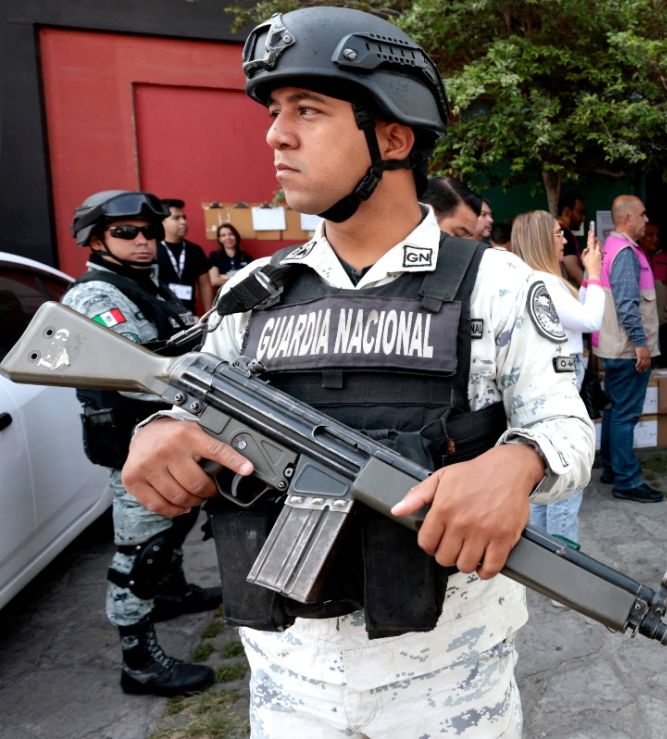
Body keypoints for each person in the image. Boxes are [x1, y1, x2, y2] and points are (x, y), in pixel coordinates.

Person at [121, 7, 593, 735]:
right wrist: (158, 431)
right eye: (276, 111)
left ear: (394, 137)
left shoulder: (498, 285)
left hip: (450, 684)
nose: (276, 133)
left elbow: (566, 424)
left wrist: (520, 462)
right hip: (287, 682)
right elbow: (188, 400)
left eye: (308, 110)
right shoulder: (253, 292)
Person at [64, 190, 219, 696]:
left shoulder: (140, 286)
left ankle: (171, 593)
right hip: (134, 443)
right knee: (141, 550)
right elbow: (142, 368)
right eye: (126, 233)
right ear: (96, 239)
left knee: (176, 520)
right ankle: (138, 661)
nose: (143, 242)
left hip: (163, 435)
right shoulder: (96, 295)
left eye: (149, 232)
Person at [513, 210, 604, 544]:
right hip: (561, 376)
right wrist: (593, 273)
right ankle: (561, 562)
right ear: (540, 239)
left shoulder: (530, 280)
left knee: (544, 466)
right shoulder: (544, 283)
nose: (564, 239)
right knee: (566, 467)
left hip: (545, 377)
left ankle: (541, 559)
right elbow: (590, 319)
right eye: (556, 234)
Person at [595, 194, 665, 503]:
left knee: (614, 410)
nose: (646, 220)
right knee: (625, 414)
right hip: (627, 349)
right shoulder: (625, 252)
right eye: (643, 214)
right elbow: (627, 304)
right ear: (628, 218)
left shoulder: (609, 247)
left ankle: (612, 467)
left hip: (613, 346)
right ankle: (627, 479)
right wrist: (641, 344)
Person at [157, 198, 214, 315]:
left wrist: (209, 316)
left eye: (184, 217)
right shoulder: (152, 250)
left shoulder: (195, 250)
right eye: (176, 218)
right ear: (162, 221)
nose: (183, 222)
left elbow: (205, 285)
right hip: (162, 315)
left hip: (189, 315)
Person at [641, 222, 667, 367]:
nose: (655, 239)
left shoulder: (665, 259)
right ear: (641, 236)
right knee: (647, 362)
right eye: (650, 235)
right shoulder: (635, 256)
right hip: (644, 322)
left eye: (657, 235)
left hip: (663, 320)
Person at [207, 223, 251, 289]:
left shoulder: (247, 257)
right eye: (223, 235)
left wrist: (223, 277)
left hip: (244, 295)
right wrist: (240, 277)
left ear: (236, 236)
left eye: (231, 234)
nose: (228, 238)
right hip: (224, 297)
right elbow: (214, 281)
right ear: (220, 239)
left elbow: (250, 280)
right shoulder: (214, 256)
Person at [557, 191, 587, 287]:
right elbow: (574, 271)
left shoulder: (557, 231)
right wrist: (589, 289)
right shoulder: (565, 234)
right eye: (580, 212)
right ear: (567, 212)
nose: (583, 217)